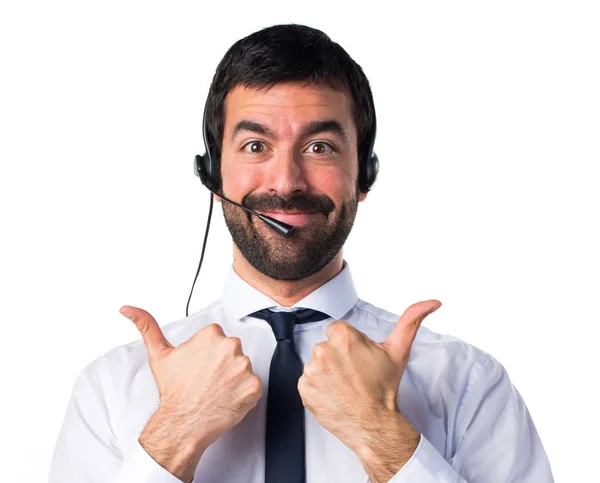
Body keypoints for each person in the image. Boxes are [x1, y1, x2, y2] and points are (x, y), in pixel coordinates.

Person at [48, 24, 555, 483]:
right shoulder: (113, 387)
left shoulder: (465, 382)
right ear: (211, 173)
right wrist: (174, 434)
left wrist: (385, 439)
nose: (287, 183)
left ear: (365, 176)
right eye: (255, 146)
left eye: (320, 148)